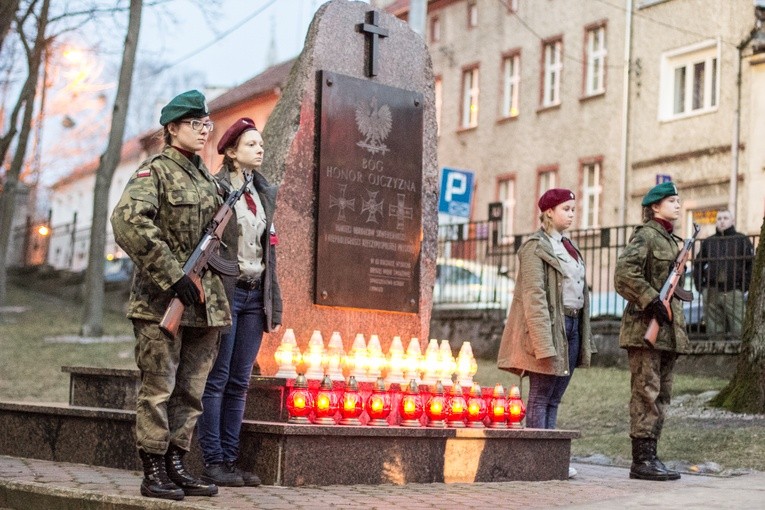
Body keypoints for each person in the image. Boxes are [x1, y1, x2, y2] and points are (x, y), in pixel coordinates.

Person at [111, 90, 227, 501]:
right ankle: (154, 468)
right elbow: (127, 222)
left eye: (206, 124)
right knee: (158, 387)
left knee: (191, 391)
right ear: (172, 128)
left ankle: (178, 463)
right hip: (162, 302)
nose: (202, 131)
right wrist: (171, 275)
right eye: (194, 124)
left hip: (205, 303)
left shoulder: (209, 180)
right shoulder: (154, 172)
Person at [196, 117, 283, 488]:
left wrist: (273, 303)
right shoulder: (216, 190)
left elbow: (271, 254)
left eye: (260, 143)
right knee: (216, 380)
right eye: (250, 144)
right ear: (231, 152)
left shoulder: (263, 193)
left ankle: (230, 462)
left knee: (239, 382)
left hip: (254, 294)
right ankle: (213, 461)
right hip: (226, 293)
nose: (259, 149)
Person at [497, 188, 595, 478]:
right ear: (549, 212)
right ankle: (536, 462)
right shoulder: (534, 247)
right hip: (551, 328)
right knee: (540, 394)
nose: (572, 214)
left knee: (555, 396)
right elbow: (534, 297)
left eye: (574, 209)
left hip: (573, 325)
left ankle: (551, 460)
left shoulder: (570, 247)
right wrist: (543, 342)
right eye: (566, 209)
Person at [614, 181, 690, 482]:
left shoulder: (673, 241)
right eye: (672, 200)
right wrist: (651, 299)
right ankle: (641, 460)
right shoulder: (646, 236)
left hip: (667, 332)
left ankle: (652, 455)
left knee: (662, 394)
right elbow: (624, 274)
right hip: (644, 328)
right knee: (646, 391)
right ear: (655, 206)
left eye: (679, 200)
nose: (678, 205)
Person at [692, 210, 754, 336]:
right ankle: (715, 353)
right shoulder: (709, 242)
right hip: (711, 290)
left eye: (725, 218)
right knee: (714, 331)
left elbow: (751, 265)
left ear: (732, 221)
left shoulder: (742, 239)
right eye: (719, 218)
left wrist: (744, 286)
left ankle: (740, 354)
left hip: (734, 289)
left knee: (740, 329)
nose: (722, 221)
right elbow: (698, 264)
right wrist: (701, 287)